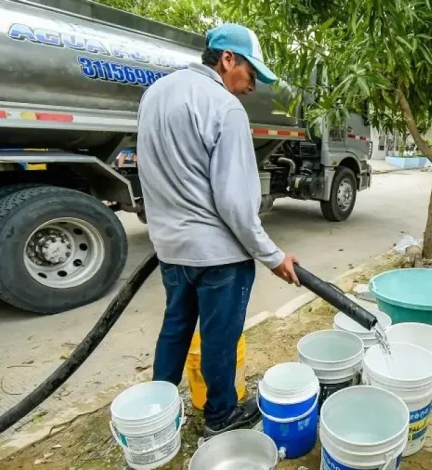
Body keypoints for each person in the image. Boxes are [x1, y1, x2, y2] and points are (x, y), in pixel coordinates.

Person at [136, 23, 301, 437]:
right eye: (251, 74)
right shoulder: (224, 108)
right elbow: (236, 203)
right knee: (219, 340)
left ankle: (156, 412)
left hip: (172, 249)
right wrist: (274, 256)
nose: (251, 87)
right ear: (228, 59)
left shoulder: (156, 93)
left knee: (176, 327)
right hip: (219, 255)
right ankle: (220, 416)